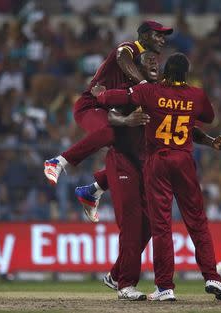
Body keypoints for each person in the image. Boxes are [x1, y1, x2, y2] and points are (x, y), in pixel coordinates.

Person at [92, 53, 221, 301]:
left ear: (166, 71)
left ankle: (165, 287)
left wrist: (100, 95)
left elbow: (121, 97)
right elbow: (208, 117)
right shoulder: (196, 95)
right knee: (197, 221)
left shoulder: (151, 92)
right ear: (186, 73)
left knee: (161, 226)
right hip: (184, 161)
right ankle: (212, 277)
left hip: (157, 162)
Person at [43, 21, 173, 222]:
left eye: (164, 36)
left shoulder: (147, 65)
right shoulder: (128, 49)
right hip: (91, 106)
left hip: (114, 111)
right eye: (159, 35)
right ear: (145, 36)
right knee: (109, 133)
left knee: (142, 161)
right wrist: (145, 86)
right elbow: (123, 59)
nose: (163, 40)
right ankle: (58, 162)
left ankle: (92, 191)